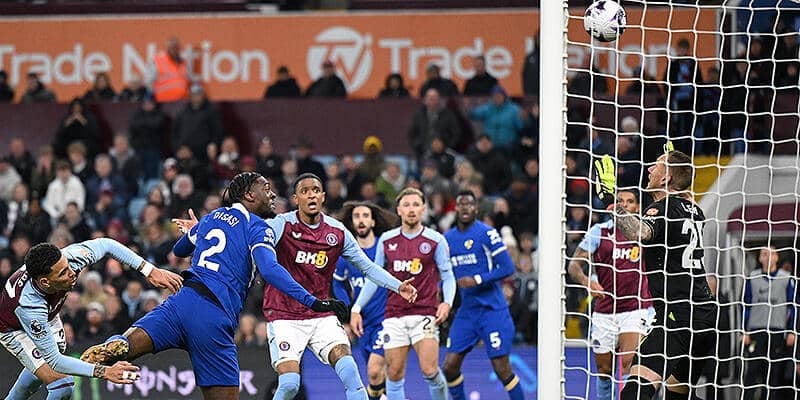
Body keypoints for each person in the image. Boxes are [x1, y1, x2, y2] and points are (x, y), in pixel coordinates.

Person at [80, 172, 349, 400]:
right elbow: (269, 269)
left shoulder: (213, 217)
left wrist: (196, 231)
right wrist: (312, 301)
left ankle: (111, 347)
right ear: (249, 195)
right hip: (213, 315)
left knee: (127, 345)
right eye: (266, 188)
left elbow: (179, 249)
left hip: (180, 303)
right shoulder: (259, 227)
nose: (272, 194)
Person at [262, 173, 418, 400]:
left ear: (323, 196)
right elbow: (257, 246)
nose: (311, 195)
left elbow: (367, 267)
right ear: (296, 199)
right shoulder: (281, 224)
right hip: (284, 315)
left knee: (351, 373)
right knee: (289, 385)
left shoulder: (337, 232)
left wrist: (398, 286)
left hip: (320, 314)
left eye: (316, 190)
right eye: (305, 191)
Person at [596, 149, 718, 400]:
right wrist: (676, 167)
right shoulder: (695, 211)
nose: (649, 169)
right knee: (677, 395)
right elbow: (683, 197)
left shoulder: (661, 208)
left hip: (678, 316)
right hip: (705, 316)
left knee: (633, 393)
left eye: (657, 165)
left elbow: (639, 233)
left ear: (666, 178)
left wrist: (610, 201)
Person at [0, 238, 182, 399]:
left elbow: (107, 244)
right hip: (13, 328)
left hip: (49, 313)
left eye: (67, 266)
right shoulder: (29, 306)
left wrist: (149, 270)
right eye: (62, 273)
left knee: (39, 372)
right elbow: (56, 361)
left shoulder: (71, 258)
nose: (72, 273)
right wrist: (105, 372)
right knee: (62, 385)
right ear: (45, 282)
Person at [353, 187, 455, 400]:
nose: (411, 209)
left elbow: (447, 276)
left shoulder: (435, 240)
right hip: (394, 316)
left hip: (425, 314)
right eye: (406, 205)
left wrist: (447, 302)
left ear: (423, 209)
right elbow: (374, 276)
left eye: (416, 205)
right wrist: (356, 308)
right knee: (394, 374)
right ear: (398, 210)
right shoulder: (387, 240)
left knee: (429, 370)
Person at [567, 189, 652, 400]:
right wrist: (587, 282)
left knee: (630, 363)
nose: (624, 205)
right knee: (604, 371)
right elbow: (574, 266)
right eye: (620, 201)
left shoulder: (644, 232)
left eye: (630, 201)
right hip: (605, 310)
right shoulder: (599, 231)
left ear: (637, 207)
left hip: (636, 308)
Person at [442, 190, 525, 400]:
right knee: (449, 367)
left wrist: (477, 279)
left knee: (502, 368)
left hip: (492, 310)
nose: (465, 207)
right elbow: (443, 272)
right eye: (461, 204)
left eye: (469, 204)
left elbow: (507, 267)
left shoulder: (487, 233)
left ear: (476, 208)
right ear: (456, 208)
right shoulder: (447, 239)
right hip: (467, 312)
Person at [333, 202, 399, 400]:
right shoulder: (347, 254)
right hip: (362, 323)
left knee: (373, 371)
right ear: (352, 222)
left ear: (372, 221)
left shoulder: (384, 248)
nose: (361, 220)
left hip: (387, 320)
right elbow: (338, 283)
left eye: (365, 216)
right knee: (378, 375)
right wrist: (349, 309)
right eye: (356, 216)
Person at [742, 245, 795, 400]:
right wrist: (744, 330)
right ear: (760, 258)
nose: (767, 257)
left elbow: (793, 307)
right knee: (751, 373)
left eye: (771, 254)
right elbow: (745, 305)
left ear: (777, 257)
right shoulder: (752, 278)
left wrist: (791, 330)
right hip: (756, 331)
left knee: (773, 375)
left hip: (777, 332)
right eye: (764, 254)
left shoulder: (787, 278)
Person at [146, 37, 191, 103]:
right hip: (163, 101)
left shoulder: (183, 63)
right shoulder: (158, 61)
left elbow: (187, 80)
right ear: (167, 48)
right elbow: (148, 81)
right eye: (172, 47)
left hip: (181, 101)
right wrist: (153, 98)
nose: (174, 50)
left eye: (176, 47)